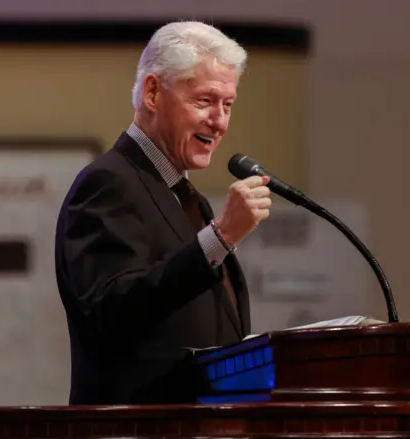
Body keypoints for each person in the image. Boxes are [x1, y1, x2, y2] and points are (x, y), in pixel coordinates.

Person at [55, 21, 273, 405]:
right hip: (138, 434)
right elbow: (111, 312)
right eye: (204, 101)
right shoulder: (108, 182)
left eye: (228, 105)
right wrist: (220, 236)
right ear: (153, 92)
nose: (219, 122)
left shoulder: (188, 197)